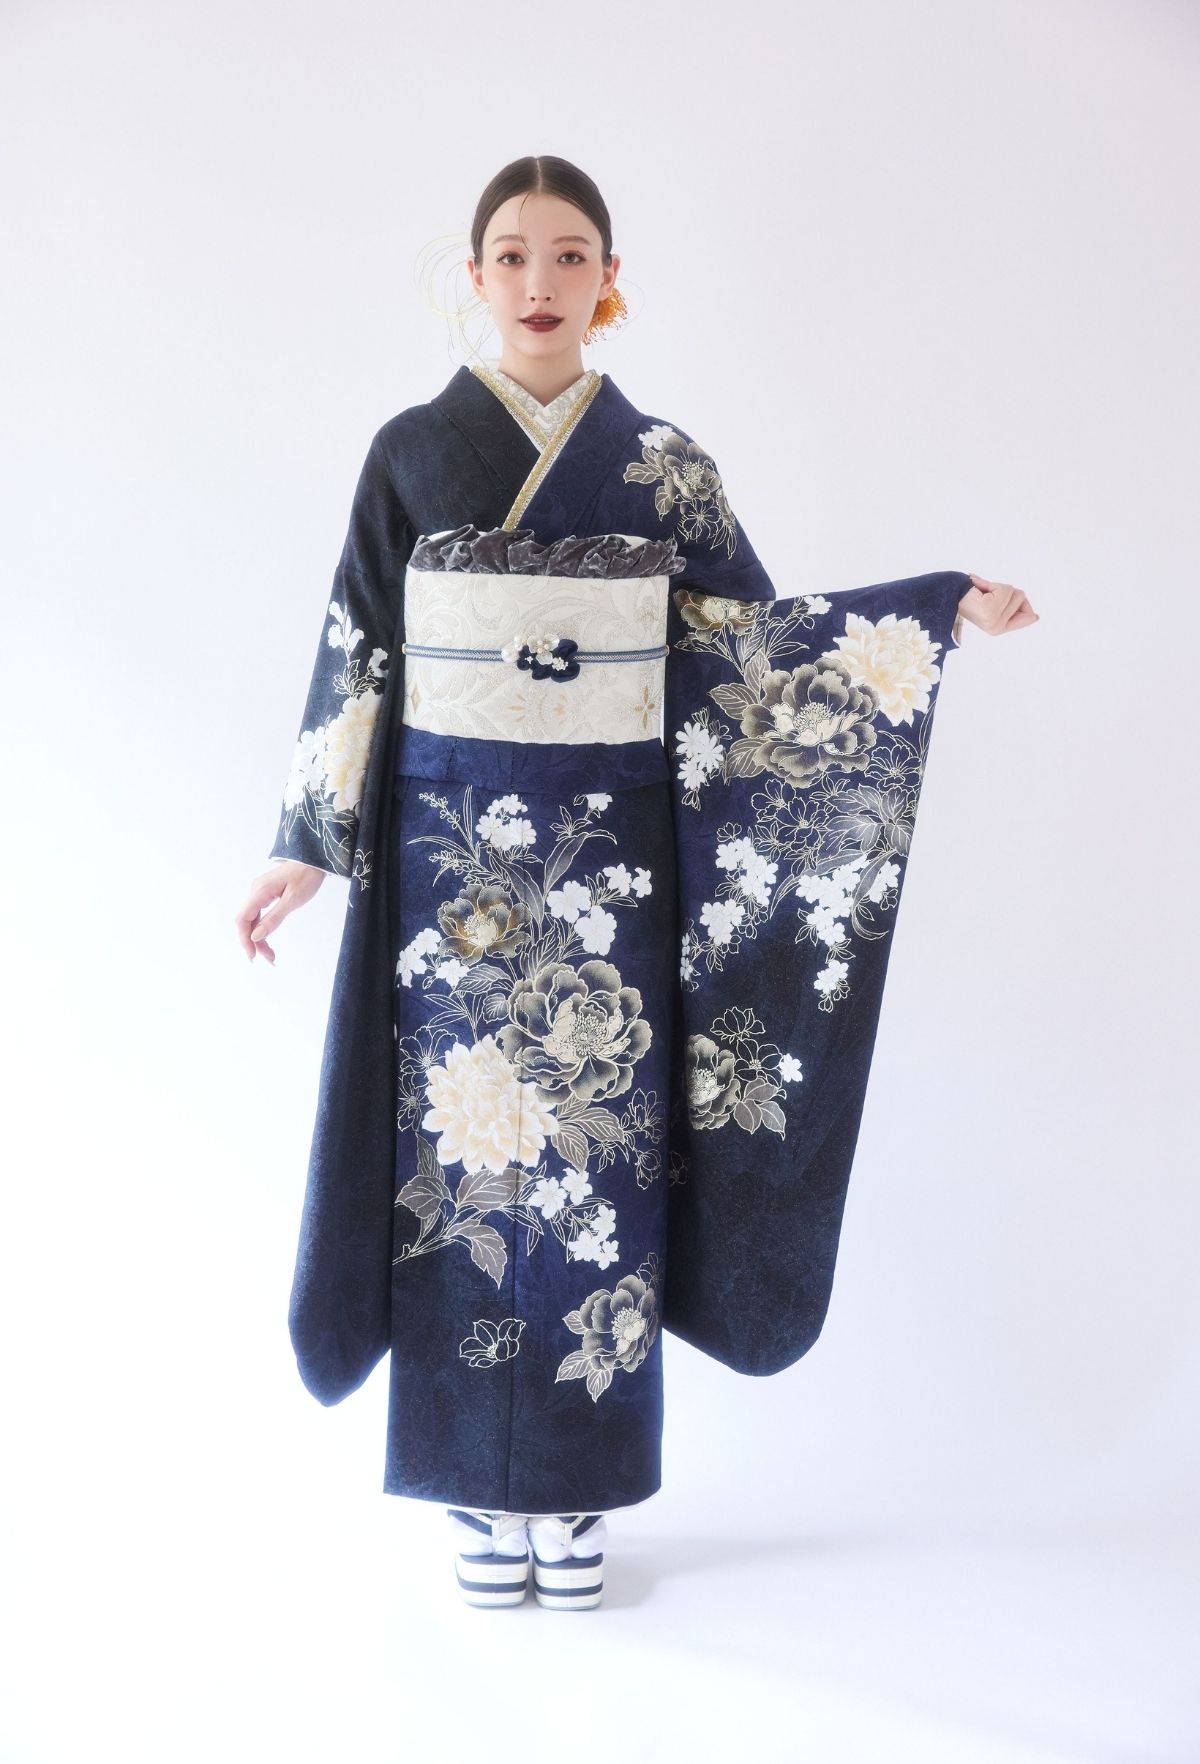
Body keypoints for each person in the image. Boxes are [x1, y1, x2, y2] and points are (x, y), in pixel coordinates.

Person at [234, 155, 1038, 1614]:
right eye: (512, 254)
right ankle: (473, 1485)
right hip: (448, 878)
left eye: (570, 255)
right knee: (462, 1169)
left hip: (615, 872)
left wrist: (934, 612)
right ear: (474, 276)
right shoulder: (411, 451)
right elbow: (361, 641)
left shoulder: (666, 463)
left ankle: (579, 1486)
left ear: (610, 279)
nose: (540, 282)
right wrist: (304, 841)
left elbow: (759, 659)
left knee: (594, 1171)